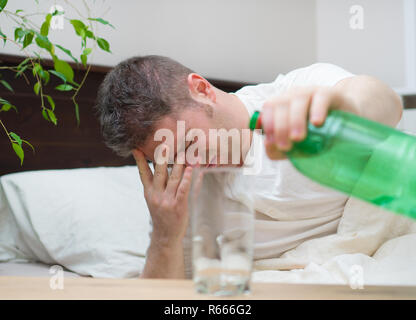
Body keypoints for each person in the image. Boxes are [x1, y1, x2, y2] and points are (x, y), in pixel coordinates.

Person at [95, 55, 402, 279]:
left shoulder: (296, 93)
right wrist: (165, 235)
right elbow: (167, 296)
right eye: (172, 161)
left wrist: (347, 112)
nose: (192, 165)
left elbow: (385, 103)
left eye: (188, 144)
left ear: (201, 89)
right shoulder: (182, 193)